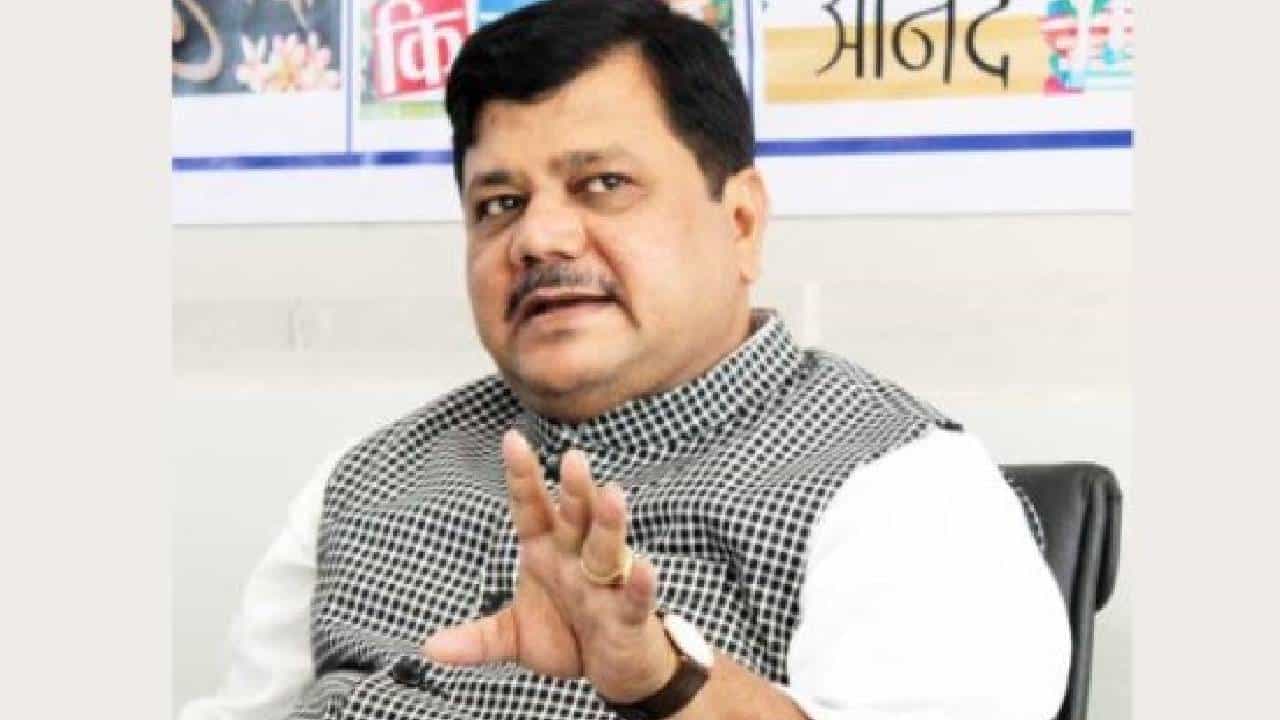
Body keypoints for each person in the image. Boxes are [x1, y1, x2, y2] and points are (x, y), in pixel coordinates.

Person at [180, 1, 1070, 718]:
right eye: (499, 203)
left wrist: (664, 682)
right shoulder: (365, 480)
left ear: (740, 222)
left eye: (603, 184)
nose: (539, 237)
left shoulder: (899, 484)